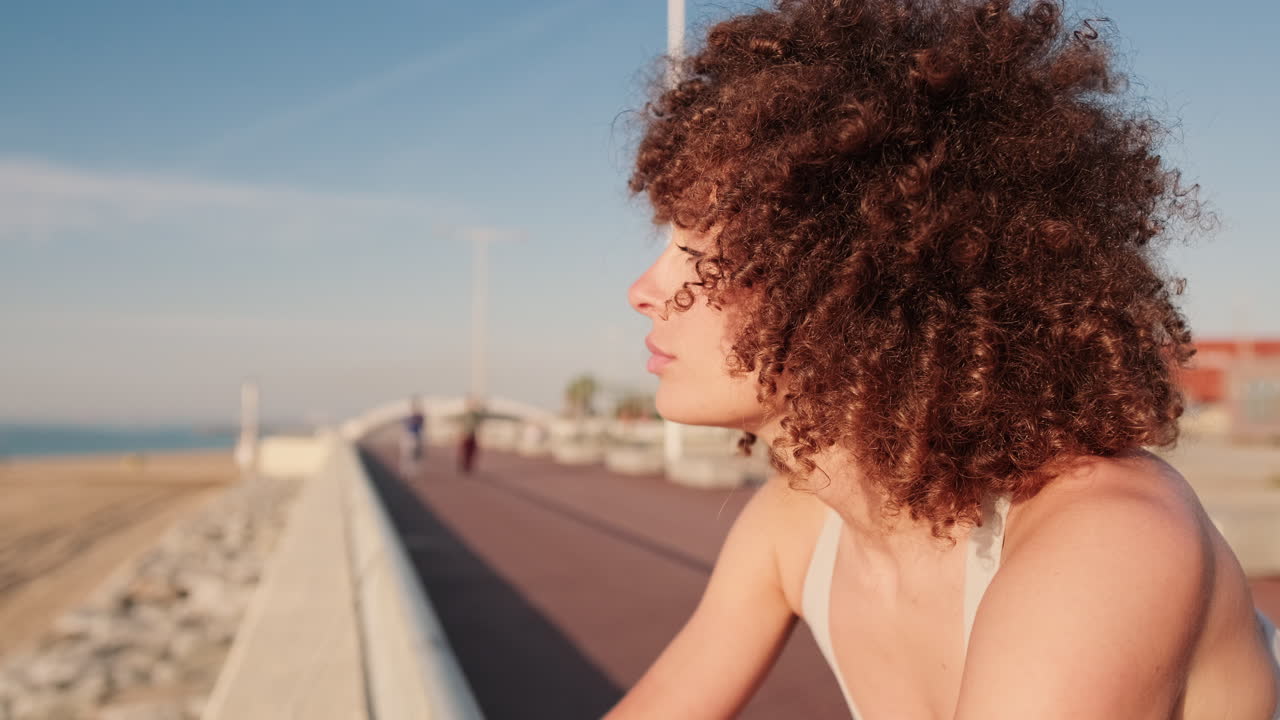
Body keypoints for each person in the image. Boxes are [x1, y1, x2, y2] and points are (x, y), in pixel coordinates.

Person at [611, 1, 1280, 718]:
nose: (644, 292)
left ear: (870, 278)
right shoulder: (793, 525)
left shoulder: (1108, 539)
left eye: (704, 253)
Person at [399, 395, 426, 474]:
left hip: (417, 437)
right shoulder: (408, 415)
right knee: (407, 455)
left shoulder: (420, 416)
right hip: (409, 436)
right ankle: (405, 470)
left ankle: (413, 471)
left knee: (416, 456)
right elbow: (405, 425)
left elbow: (422, 426)